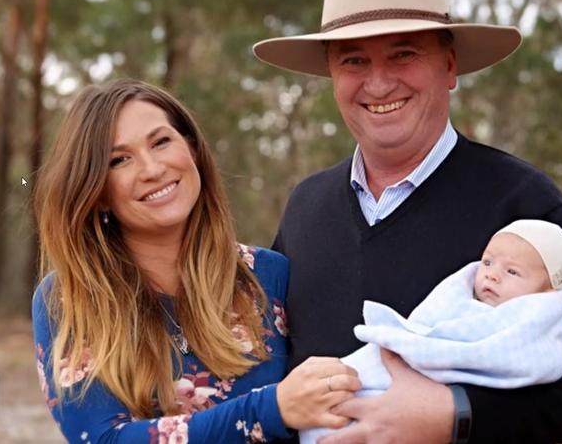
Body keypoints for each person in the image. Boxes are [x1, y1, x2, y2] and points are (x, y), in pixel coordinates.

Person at [252, 0, 562, 443]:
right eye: (353, 59)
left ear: (449, 65)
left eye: (403, 54)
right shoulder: (306, 206)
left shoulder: (522, 200)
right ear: (331, 74)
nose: (379, 82)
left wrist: (455, 413)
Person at [31, 79, 360, 444]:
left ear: (192, 150)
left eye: (161, 141)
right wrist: (270, 409)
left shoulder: (269, 275)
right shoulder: (68, 298)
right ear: (98, 193)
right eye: (119, 160)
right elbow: (104, 438)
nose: (152, 168)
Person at [301, 219, 562, 444]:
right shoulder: (458, 301)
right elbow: (429, 328)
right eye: (487, 262)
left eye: (512, 272)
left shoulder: (529, 326)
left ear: (548, 289)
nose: (492, 274)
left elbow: (495, 358)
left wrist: (453, 411)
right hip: (359, 386)